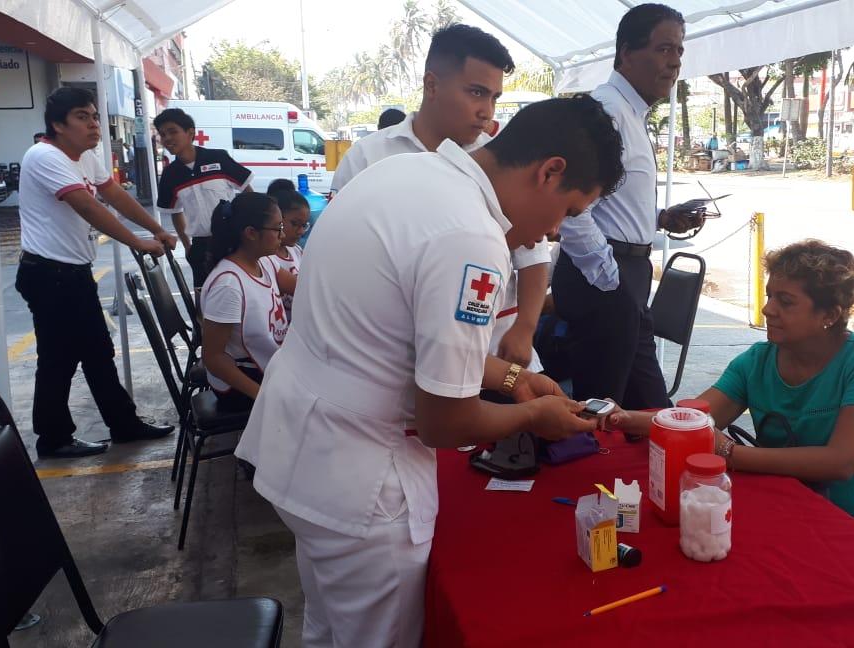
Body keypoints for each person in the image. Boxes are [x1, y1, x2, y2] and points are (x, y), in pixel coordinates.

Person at [235, 96, 623, 648]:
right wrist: (533, 415)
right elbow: (446, 422)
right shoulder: (471, 237)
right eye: (571, 210)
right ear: (550, 171)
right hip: (361, 484)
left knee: (328, 631)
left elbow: (390, 335)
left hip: (301, 450)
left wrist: (512, 380)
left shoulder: (402, 173)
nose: (554, 231)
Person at [610, 240, 854, 553]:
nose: (768, 308)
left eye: (785, 301)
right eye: (770, 296)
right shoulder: (758, 361)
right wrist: (617, 417)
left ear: (830, 314)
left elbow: (842, 461)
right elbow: (691, 422)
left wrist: (730, 452)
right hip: (790, 504)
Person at [331, 24, 550, 374]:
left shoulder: (501, 164)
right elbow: (339, 255)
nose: (487, 112)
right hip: (394, 358)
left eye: (494, 97)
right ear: (431, 85)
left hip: (498, 351)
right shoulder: (368, 158)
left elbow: (533, 255)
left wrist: (525, 328)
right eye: (477, 93)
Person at [552, 4, 705, 411]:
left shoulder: (632, 114)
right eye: (664, 49)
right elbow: (570, 205)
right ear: (625, 53)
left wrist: (659, 219)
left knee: (648, 409)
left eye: (679, 51)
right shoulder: (605, 112)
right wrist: (608, 274)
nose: (674, 63)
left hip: (625, 275)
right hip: (605, 276)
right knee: (602, 412)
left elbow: (607, 204)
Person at [15, 87, 176, 458]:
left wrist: (156, 229)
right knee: (59, 359)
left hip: (72, 273)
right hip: (49, 275)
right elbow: (88, 206)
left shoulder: (86, 157)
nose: (93, 125)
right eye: (82, 117)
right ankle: (53, 438)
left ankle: (123, 425)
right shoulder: (44, 156)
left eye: (95, 116)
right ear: (57, 124)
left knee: (98, 352)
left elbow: (114, 196)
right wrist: (139, 242)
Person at [201, 194, 294, 410]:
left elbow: (301, 286)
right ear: (251, 233)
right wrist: (262, 396)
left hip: (266, 367)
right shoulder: (228, 286)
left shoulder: (266, 262)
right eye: (278, 228)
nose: (283, 234)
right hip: (242, 383)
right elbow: (213, 358)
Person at [154, 107, 254, 298]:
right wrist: (188, 246)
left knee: (240, 294)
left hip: (232, 242)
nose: (167, 138)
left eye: (173, 131)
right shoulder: (170, 174)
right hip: (200, 247)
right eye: (162, 134)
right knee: (206, 299)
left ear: (190, 132)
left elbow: (247, 190)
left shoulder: (218, 158)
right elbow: (176, 212)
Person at [267, 189, 309, 315]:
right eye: (295, 224)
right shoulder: (266, 258)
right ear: (278, 218)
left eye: (304, 225)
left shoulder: (296, 251)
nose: (300, 231)